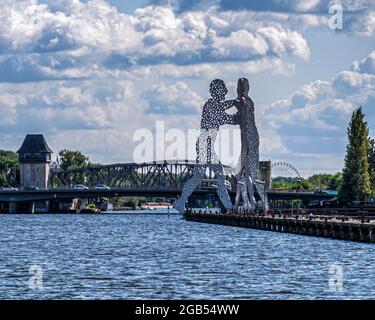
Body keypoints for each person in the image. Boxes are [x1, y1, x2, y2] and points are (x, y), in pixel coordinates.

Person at [173, 79, 237, 214]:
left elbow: (230, 118)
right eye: (223, 89)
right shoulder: (210, 105)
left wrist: (237, 107)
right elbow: (228, 117)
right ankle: (229, 207)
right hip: (204, 145)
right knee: (218, 176)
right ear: (216, 92)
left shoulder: (215, 107)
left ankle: (180, 202)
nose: (225, 92)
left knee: (200, 176)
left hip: (205, 145)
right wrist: (236, 103)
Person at [233, 78, 269, 211]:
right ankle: (246, 203)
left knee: (248, 175)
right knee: (243, 175)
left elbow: (240, 119)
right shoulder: (248, 101)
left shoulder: (242, 102)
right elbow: (239, 119)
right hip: (251, 139)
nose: (242, 89)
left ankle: (255, 203)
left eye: (243, 86)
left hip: (249, 140)